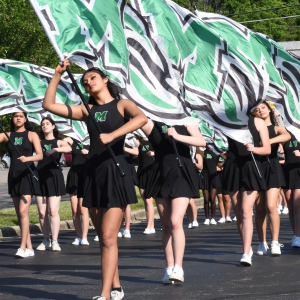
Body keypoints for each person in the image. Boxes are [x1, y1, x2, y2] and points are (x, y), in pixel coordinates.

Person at [42, 59, 148, 300]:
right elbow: (48, 104)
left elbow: (141, 119)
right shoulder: (85, 110)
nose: (88, 82)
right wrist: (57, 74)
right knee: (104, 239)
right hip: (93, 172)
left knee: (109, 237)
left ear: (105, 80)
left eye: (92, 78)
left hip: (115, 170)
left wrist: (113, 135)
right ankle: (117, 286)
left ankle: (105, 294)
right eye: (85, 81)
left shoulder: (122, 104)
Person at [141, 119, 206, 283]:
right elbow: (135, 116)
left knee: (176, 221)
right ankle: (169, 267)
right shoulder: (150, 121)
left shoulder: (184, 119)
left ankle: (178, 267)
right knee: (166, 225)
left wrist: (177, 136)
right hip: (161, 172)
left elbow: (201, 141)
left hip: (182, 171)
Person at [222, 114, 271, 266]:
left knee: (245, 211)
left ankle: (245, 253)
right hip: (233, 167)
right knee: (239, 213)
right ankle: (247, 247)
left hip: (251, 166)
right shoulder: (226, 121)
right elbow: (217, 143)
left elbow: (267, 149)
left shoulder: (257, 122)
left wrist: (254, 148)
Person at [0, 112, 43, 257]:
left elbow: (40, 155)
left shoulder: (32, 134)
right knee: (19, 214)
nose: (18, 118)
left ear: (25, 119)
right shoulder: (7, 135)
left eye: (21, 116)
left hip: (27, 175)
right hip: (14, 176)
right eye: (15, 116)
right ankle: (30, 248)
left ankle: (22, 247)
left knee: (23, 212)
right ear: (12, 119)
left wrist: (28, 158)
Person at [252, 101, 290, 256]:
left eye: (263, 108)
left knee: (271, 206)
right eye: (257, 109)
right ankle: (262, 242)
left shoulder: (275, 127)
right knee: (259, 209)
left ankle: (275, 242)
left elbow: (286, 135)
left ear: (269, 109)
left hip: (272, 167)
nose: (261, 111)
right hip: (256, 167)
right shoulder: (253, 128)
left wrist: (269, 141)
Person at [35, 117, 72, 252]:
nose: (44, 126)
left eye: (47, 124)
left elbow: (68, 147)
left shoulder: (59, 141)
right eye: (43, 124)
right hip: (40, 176)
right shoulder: (38, 142)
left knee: (53, 211)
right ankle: (45, 239)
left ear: (53, 126)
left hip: (54, 176)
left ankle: (55, 241)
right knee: (42, 212)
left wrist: (55, 150)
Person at [64, 137, 90, 246]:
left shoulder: (90, 139)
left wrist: (88, 152)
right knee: (75, 210)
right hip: (74, 175)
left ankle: (84, 237)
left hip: (85, 174)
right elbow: (61, 142)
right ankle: (78, 236)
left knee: (83, 210)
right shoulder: (72, 139)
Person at [282, 132, 300, 247]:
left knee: (296, 205)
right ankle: (295, 234)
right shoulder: (284, 135)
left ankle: (298, 236)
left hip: (298, 171)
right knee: (290, 205)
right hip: (287, 172)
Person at [136, 135, 156, 234]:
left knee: (148, 201)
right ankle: (151, 225)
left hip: (152, 173)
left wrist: (154, 153)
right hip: (142, 173)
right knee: (145, 200)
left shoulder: (154, 141)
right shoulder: (139, 143)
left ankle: (149, 226)